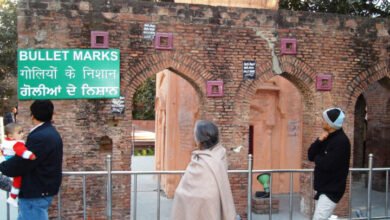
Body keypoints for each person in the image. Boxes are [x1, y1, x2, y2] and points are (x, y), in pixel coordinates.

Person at [0, 100, 63, 220]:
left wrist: (3, 167)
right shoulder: (50, 132)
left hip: (36, 191)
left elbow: (23, 163)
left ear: (32, 115)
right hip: (41, 189)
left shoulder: (40, 136)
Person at [171, 120, 237, 220]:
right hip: (213, 203)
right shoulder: (220, 156)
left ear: (199, 139)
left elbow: (182, 193)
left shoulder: (199, 160)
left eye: (195, 134)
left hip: (205, 203)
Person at [308, 108, 351, 220]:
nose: (322, 122)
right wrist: (319, 140)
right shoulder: (326, 137)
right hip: (322, 188)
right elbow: (310, 155)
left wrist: (317, 157)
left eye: (324, 120)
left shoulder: (341, 141)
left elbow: (327, 164)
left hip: (332, 190)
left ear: (330, 124)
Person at [1, 123, 37, 207]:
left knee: (15, 182)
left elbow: (3, 150)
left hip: (7, 163)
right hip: (14, 165)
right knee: (17, 182)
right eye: (19, 132)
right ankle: (12, 197)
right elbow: (22, 152)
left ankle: (12, 198)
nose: (22, 134)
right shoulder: (17, 144)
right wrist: (31, 155)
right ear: (11, 135)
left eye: (22, 131)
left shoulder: (6, 142)